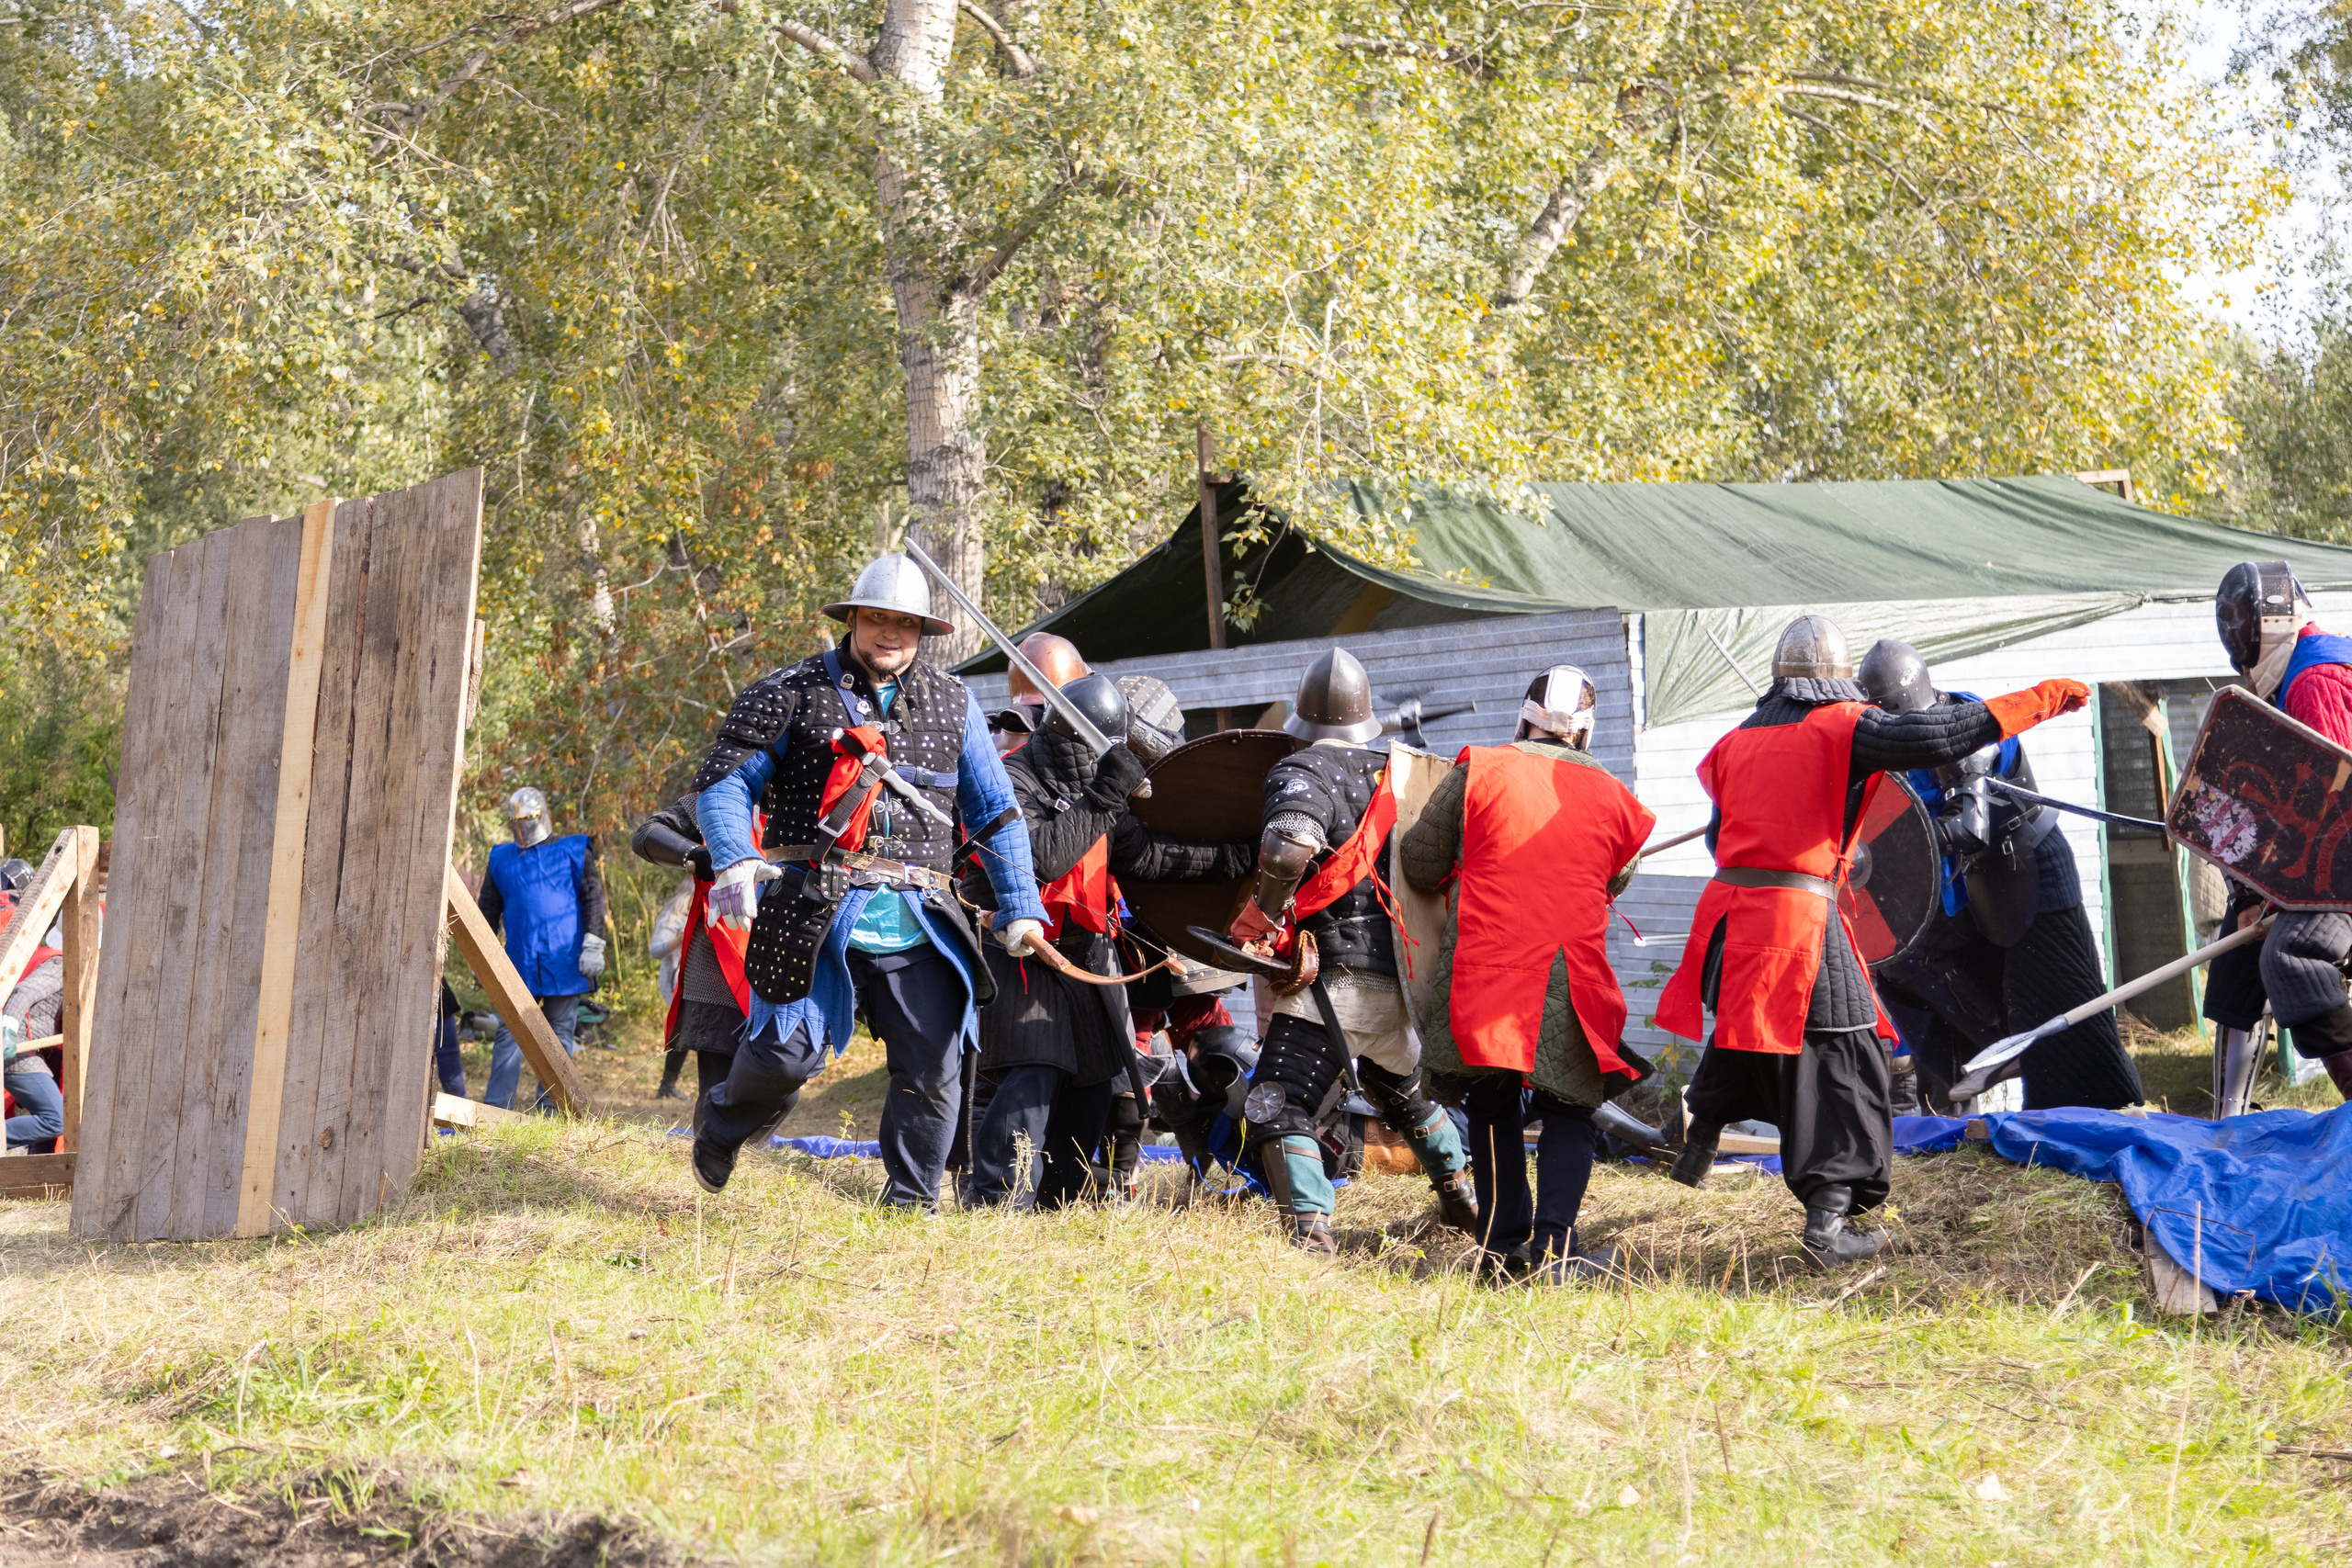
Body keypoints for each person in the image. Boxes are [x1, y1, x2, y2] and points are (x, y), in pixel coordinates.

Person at [1655, 615, 2089, 1266]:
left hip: (1731, 921)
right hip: (1797, 924)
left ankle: (1699, 1141)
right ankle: (1829, 1228)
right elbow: (1938, 731)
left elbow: (1720, 841)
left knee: (1750, 1033)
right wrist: (2040, 700)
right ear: (1835, 680)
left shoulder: (1733, 742)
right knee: (1852, 1060)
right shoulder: (1842, 728)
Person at [693, 553, 1048, 1209]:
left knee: (935, 1068)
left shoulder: (956, 703)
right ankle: (722, 1121)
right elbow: (724, 785)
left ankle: (910, 1205)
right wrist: (735, 856)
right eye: (878, 618)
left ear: (923, 632)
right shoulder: (788, 690)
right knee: (782, 1058)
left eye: (905, 623)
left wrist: (1022, 904)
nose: (891, 633)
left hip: (918, 915)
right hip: (812, 906)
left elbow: (998, 812)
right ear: (852, 618)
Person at [961, 668, 1253, 1210]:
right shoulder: (1012, 779)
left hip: (1086, 952)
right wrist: (1106, 790)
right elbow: (1041, 859)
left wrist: (1231, 859)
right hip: (1019, 946)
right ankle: (997, 1204)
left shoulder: (1094, 787)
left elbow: (1145, 854)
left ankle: (1060, 1200)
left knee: (1098, 1084)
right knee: (1032, 1073)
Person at [1400, 666, 1656, 1284]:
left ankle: (1502, 1250)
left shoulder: (1479, 769)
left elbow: (1418, 860)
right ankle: (1554, 1250)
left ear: (1524, 717)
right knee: (1571, 1106)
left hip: (1489, 963)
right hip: (1570, 970)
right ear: (1585, 733)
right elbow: (1616, 877)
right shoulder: (1615, 798)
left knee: (1492, 1102)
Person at [1226, 646, 1478, 1253]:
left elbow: (1289, 848)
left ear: (1304, 714)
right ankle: (1462, 1197)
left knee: (1274, 1105)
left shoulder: (1305, 768)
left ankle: (1311, 1233)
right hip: (1398, 976)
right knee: (1403, 1092)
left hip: (1331, 983)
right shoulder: (1396, 774)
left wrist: (1265, 910)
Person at [1856, 639, 2144, 1111]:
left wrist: (1908, 846)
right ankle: (1984, 1053)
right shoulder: (1892, 746)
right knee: (1905, 956)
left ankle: (2089, 1112)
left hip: (2027, 872)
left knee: (2055, 1005)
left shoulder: (1962, 735)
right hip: (1970, 885)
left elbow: (1971, 831)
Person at [2201, 561, 2352, 1105]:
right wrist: (2252, 893)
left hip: (2344, 866)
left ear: (2269, 619)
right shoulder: (2296, 673)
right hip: (2328, 861)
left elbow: (2338, 813)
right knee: (2236, 950)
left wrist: (2278, 899)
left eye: (2241, 621)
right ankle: (2228, 1116)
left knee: (2291, 956)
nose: (2235, 634)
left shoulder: (2315, 679)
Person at [476, 787, 609, 1111]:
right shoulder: (501, 858)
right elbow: (487, 910)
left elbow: (593, 898)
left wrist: (594, 943)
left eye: (528, 820)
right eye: (517, 821)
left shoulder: (574, 850)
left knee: (559, 1032)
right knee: (510, 1030)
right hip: (519, 959)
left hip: (564, 959)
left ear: (542, 816)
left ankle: (552, 1107)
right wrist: (482, 956)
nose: (523, 827)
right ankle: (497, 1107)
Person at [632, 795, 752, 1111]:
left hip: (783, 961)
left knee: (784, 1074)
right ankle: (712, 1153)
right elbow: (648, 834)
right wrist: (698, 855)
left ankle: (734, 1144)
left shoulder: (811, 788)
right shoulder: (719, 795)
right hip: (718, 965)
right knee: (717, 1082)